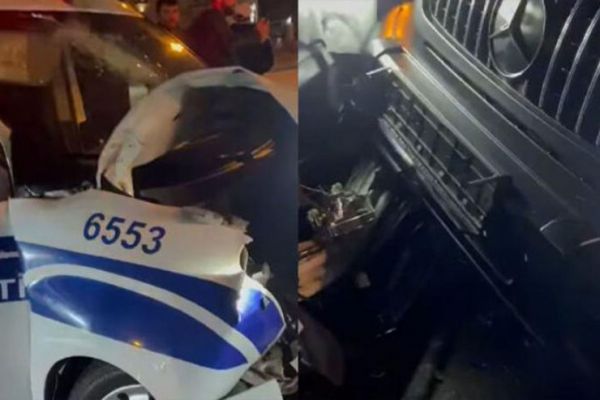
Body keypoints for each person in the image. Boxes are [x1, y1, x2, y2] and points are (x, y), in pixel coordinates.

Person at [186, 0, 274, 74]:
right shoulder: (212, 16)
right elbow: (230, 43)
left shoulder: (211, 17)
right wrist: (257, 34)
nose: (235, 2)